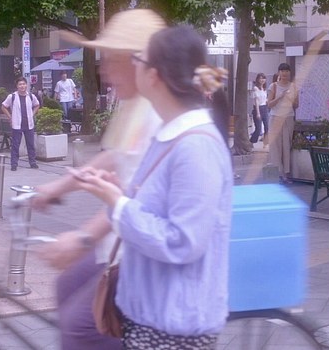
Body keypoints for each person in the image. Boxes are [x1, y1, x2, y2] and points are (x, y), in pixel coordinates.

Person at [63, 25, 232, 348]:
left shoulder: (196, 147)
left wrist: (119, 203)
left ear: (154, 75)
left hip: (173, 328)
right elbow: (152, 212)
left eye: (138, 58)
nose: (131, 64)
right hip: (149, 314)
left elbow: (183, 241)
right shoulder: (169, 134)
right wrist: (117, 195)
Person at [33, 9, 166, 350]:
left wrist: (82, 237)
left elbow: (135, 196)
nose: (103, 71)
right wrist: (58, 187)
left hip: (144, 253)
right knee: (66, 287)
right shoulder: (134, 104)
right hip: (122, 244)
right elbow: (115, 155)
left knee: (80, 327)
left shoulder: (158, 113)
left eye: (111, 60)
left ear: (139, 62)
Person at [267, 62, 299, 184]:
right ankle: (277, 174)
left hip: (288, 117)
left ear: (290, 73)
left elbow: (296, 105)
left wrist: (290, 99)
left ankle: (286, 174)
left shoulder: (293, 86)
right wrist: (280, 97)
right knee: (275, 146)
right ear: (278, 73)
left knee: (286, 145)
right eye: (282, 71)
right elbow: (269, 104)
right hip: (275, 117)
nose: (284, 73)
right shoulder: (273, 86)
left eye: (286, 71)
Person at [1, 77, 40, 171]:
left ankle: (32, 162)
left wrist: (32, 114)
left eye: (23, 84)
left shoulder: (30, 96)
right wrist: (10, 117)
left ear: (26, 85)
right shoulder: (12, 96)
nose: (22, 86)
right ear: (17, 86)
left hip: (28, 124)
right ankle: (14, 164)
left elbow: (37, 105)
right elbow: (3, 106)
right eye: (20, 84)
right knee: (15, 145)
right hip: (17, 124)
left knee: (30, 144)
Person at [249, 73, 269, 145]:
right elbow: (256, 101)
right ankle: (251, 142)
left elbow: (265, 100)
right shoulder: (256, 88)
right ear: (257, 79)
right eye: (260, 78)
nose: (262, 80)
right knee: (258, 129)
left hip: (265, 108)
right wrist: (258, 113)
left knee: (267, 127)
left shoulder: (264, 89)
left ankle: (265, 142)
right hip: (258, 109)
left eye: (263, 78)